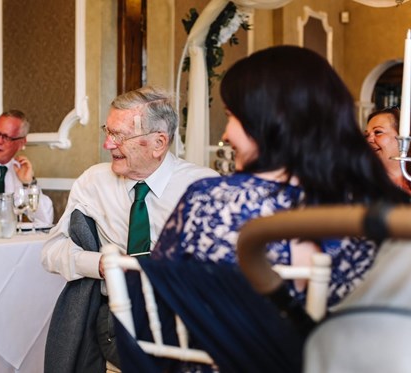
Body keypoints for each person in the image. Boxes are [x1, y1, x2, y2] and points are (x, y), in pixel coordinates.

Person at [151, 45, 410, 308]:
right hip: (351, 346)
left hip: (234, 348)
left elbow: (158, 298)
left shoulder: (212, 200)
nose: (226, 135)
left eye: (232, 117)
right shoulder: (389, 208)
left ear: (272, 119)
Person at [41, 86, 219, 370]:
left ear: (159, 143)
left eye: (119, 136)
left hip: (186, 320)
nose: (107, 145)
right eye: (107, 132)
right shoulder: (93, 183)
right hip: (117, 323)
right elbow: (52, 250)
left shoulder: (202, 187)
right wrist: (101, 264)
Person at [365, 106, 411, 194]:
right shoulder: (362, 183)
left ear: (403, 137)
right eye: (366, 135)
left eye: (378, 132)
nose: (368, 140)